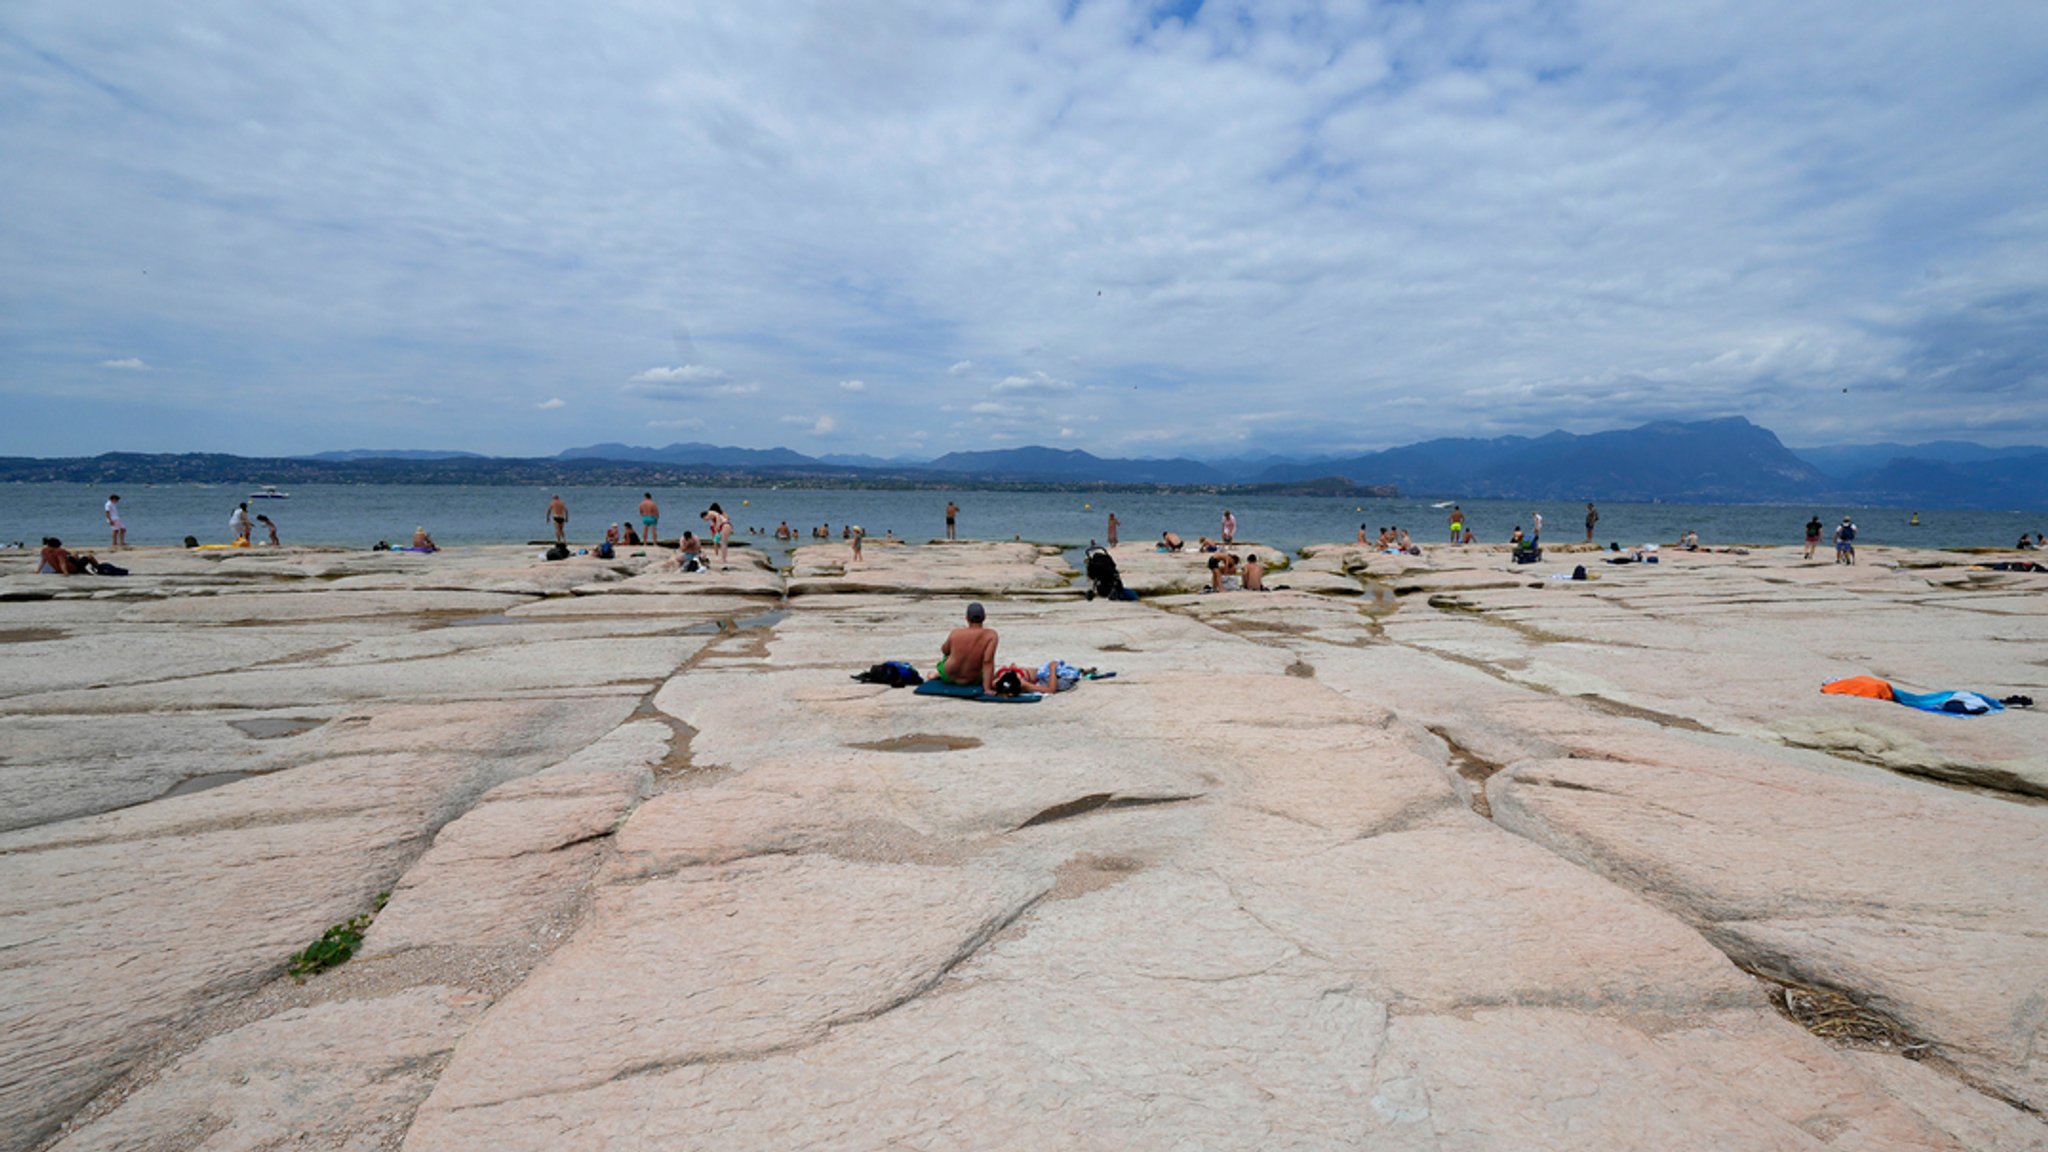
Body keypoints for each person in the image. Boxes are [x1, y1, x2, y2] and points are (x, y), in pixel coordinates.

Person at [939, 602, 998, 692]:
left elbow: (945, 650)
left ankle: (937, 674)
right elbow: (988, 661)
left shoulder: (956, 632)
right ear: (984, 617)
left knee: (947, 657)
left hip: (948, 676)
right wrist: (987, 688)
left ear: (967, 618)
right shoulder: (991, 635)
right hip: (973, 679)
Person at [702, 502, 732, 567]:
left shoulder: (714, 514)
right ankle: (721, 557)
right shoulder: (719, 514)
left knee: (720, 543)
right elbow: (727, 519)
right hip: (724, 526)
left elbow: (717, 521)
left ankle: (721, 558)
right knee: (721, 542)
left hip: (722, 526)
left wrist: (716, 528)